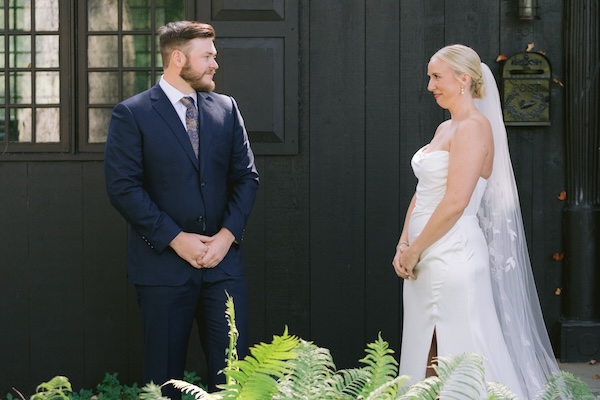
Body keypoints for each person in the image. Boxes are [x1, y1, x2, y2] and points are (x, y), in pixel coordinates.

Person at [392, 44, 559, 398]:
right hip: (423, 256)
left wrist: (415, 250)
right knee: (426, 347)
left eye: (437, 77)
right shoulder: (444, 128)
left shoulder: (474, 128)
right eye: (430, 77)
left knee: (448, 353)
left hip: (452, 254)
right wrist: (403, 242)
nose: (430, 86)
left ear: (464, 79)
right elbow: (423, 193)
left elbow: (455, 202)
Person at [104, 20, 259, 398]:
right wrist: (176, 239)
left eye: (214, 56)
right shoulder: (133, 113)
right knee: (165, 381)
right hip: (162, 267)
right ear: (177, 58)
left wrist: (225, 237)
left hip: (223, 266)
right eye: (207, 56)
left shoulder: (226, 108)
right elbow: (122, 187)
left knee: (234, 376)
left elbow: (247, 178)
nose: (215, 64)